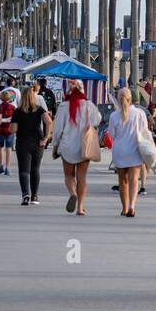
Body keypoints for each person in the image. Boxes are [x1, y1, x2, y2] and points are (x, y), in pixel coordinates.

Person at [51, 80, 101, 216]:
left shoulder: (63, 106)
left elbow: (57, 130)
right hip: (84, 146)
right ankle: (80, 207)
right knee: (82, 177)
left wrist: (55, 144)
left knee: (68, 175)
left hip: (67, 146)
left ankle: (72, 193)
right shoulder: (89, 106)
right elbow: (97, 120)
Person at [107, 87, 156, 215]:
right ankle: (132, 207)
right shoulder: (139, 113)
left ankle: (124, 208)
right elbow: (144, 131)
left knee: (122, 181)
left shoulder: (114, 115)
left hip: (119, 151)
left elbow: (111, 134)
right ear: (131, 99)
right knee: (134, 180)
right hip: (134, 150)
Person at [13, 83, 52, 205]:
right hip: (38, 142)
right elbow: (49, 122)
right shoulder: (39, 109)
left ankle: (25, 194)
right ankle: (35, 196)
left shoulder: (18, 111)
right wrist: (46, 138)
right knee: (35, 169)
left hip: (22, 142)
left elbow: (13, 129)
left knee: (24, 170)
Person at [0, 88, 18, 175]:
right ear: (9, 98)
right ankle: (7, 168)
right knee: (8, 148)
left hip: (0, 130)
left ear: (1, 98)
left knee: (0, 147)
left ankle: (1, 165)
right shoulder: (13, 108)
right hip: (10, 130)